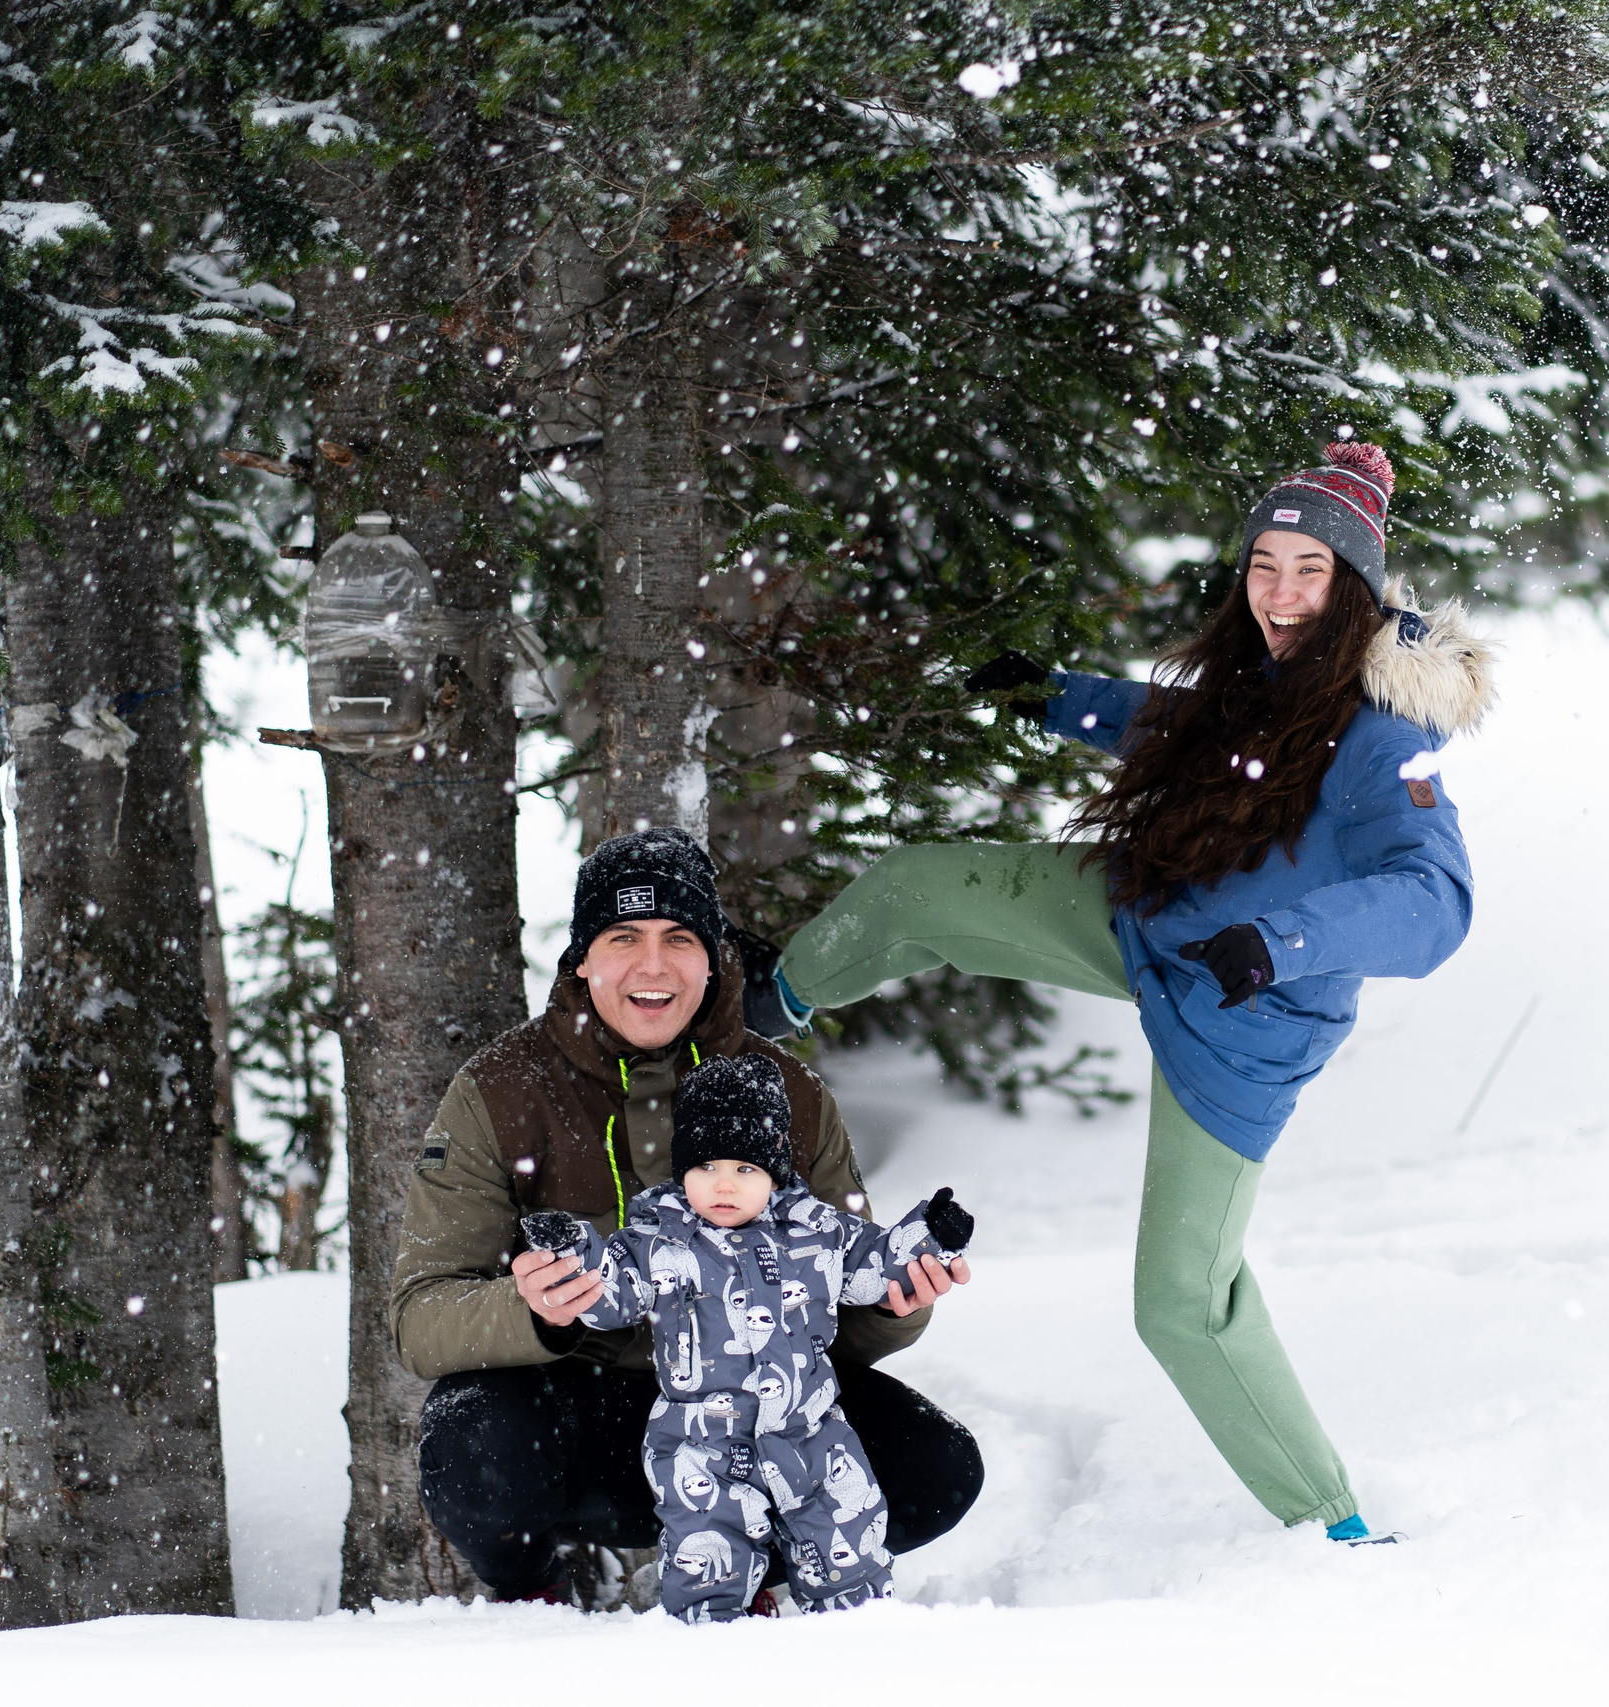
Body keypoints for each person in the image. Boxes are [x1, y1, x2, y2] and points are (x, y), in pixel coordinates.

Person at [750, 441, 1492, 1543]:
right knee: (917, 887)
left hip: (1241, 1015)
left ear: (1357, 589)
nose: (1281, 593)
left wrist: (1279, 940)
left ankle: (1335, 1526)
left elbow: (1435, 904)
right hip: (1149, 910)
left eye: (1310, 571)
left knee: (1182, 1304)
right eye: (1265, 564)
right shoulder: (1264, 676)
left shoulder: (1385, 738)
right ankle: (757, 1015)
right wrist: (1058, 697)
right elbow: (1189, 737)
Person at [393, 827, 981, 1603]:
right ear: (582, 958)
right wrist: (533, 1311)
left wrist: (903, 1305)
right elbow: (419, 1315)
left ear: (714, 957)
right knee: (466, 1440)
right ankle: (533, 1593)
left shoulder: (790, 1094)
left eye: (679, 937)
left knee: (936, 1466)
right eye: (622, 936)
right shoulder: (500, 1089)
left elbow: (849, 1290)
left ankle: (757, 1571)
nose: (652, 965)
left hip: (755, 1409)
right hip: (577, 1411)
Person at [523, 1053, 976, 1622]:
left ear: (774, 1173)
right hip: (700, 1445)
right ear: (682, 1169)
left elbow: (877, 1264)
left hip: (811, 1436)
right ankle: (712, 1651)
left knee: (849, 1551)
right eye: (706, 1166)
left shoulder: (815, 1232)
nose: (723, 1185)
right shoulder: (658, 1242)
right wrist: (572, 1255)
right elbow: (609, 1294)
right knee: (709, 1564)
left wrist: (930, 1237)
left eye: (745, 1170)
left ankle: (857, 1645)